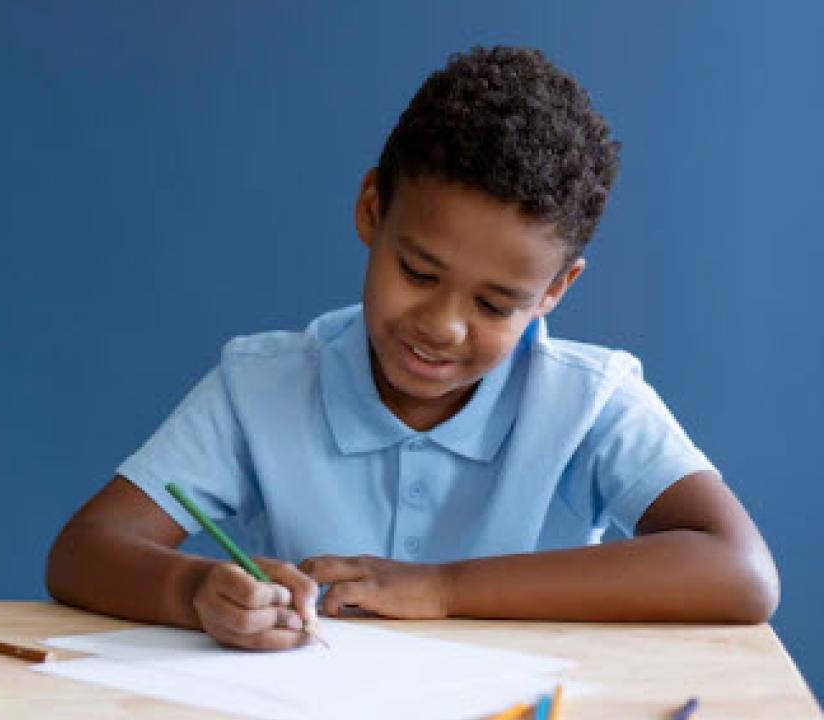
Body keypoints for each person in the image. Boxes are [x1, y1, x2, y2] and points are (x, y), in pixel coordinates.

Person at [46, 45, 779, 651]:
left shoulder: (588, 399)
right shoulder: (263, 385)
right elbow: (85, 549)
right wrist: (196, 589)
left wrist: (443, 586)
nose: (443, 325)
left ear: (554, 289)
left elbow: (741, 573)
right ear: (372, 211)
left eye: (496, 304)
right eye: (418, 273)